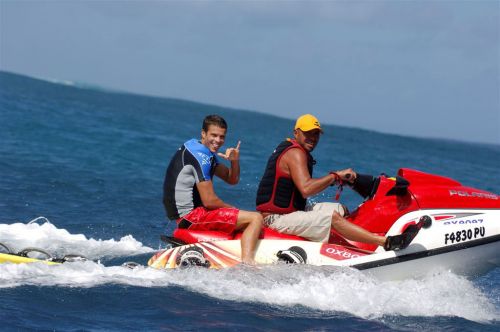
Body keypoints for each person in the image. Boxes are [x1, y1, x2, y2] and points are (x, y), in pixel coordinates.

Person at [255, 114, 417, 251]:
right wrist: (334, 176)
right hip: (276, 219)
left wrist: (340, 179)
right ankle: (387, 242)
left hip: (292, 211)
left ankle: (353, 244)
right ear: (296, 132)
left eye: (316, 134)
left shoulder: (294, 149)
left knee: (341, 209)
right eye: (308, 133)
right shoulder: (296, 153)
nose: (313, 138)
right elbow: (306, 189)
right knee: (332, 217)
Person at [163, 115, 263, 264]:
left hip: (187, 215)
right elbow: (209, 201)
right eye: (213, 135)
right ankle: (248, 263)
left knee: (245, 217)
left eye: (222, 137)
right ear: (203, 133)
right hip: (191, 216)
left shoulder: (198, 148)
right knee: (255, 218)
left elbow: (232, 179)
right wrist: (233, 210)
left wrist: (234, 161)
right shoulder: (201, 156)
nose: (218, 141)